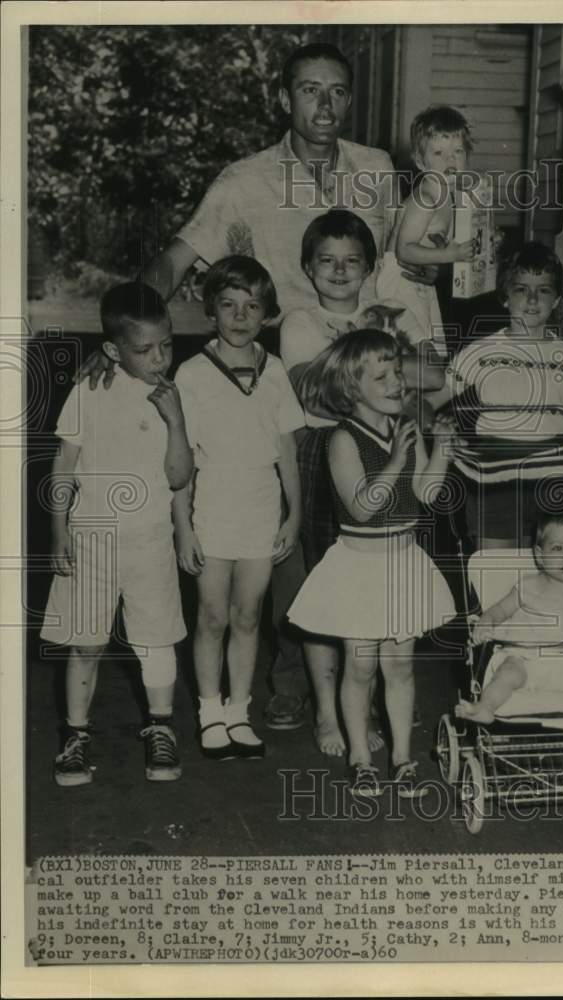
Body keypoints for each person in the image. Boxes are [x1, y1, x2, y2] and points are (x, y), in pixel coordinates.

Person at [76, 42, 439, 733]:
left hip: (372, 382)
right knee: (291, 551)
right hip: (288, 385)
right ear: (285, 98)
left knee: (372, 534)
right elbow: (173, 262)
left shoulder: (378, 171)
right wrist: (123, 340)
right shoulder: (244, 181)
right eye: (309, 91)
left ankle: (367, 677)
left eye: (337, 92)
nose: (324, 106)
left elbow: (406, 272)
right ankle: (292, 681)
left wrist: (428, 363)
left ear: (350, 99)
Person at [280, 210, 446, 755]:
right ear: (308, 268)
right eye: (327, 261)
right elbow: (315, 393)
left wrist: (375, 360)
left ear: (370, 266)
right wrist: (381, 347)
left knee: (381, 596)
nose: (340, 271)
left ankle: (378, 707)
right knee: (332, 590)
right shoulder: (300, 322)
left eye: (353, 261)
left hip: (393, 445)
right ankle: (328, 714)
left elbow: (434, 374)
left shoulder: (391, 311)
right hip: (327, 450)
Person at [288, 330, 456, 796]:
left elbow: (426, 494)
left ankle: (402, 757)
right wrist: (395, 460)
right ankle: (361, 758)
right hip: (359, 567)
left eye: (398, 371)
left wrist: (439, 449)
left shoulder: (405, 426)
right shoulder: (342, 439)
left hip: (402, 563)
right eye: (380, 376)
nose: (396, 382)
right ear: (349, 388)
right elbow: (362, 506)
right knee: (359, 666)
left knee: (399, 667)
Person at [41, 284, 193, 785]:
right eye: (145, 349)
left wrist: (175, 421)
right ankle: (76, 736)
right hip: (92, 538)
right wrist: (58, 530)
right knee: (86, 643)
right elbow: (64, 465)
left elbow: (178, 476)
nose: (160, 358)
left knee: (156, 641)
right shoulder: (89, 389)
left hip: (151, 538)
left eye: (167, 345)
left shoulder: (174, 395)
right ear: (112, 350)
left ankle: (160, 727)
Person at [172, 257, 304, 759]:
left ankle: (238, 711)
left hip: (261, 508)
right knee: (211, 616)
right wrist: (183, 528)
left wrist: (292, 516)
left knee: (248, 616)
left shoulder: (276, 373)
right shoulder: (192, 373)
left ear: (266, 314)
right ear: (211, 312)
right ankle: (209, 712)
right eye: (228, 305)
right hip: (212, 508)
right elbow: (181, 464)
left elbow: (288, 452)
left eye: (252, 306)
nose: (240, 315)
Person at [439, 241, 563, 549]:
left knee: (548, 573)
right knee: (494, 574)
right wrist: (439, 430)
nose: (533, 299)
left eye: (544, 290)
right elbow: (432, 401)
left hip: (553, 477)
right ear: (505, 297)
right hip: (495, 478)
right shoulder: (479, 352)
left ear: (558, 299)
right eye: (522, 289)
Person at [455, 517, 563, 736]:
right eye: (558, 548)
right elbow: (499, 611)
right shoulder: (526, 587)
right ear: (539, 554)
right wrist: (485, 623)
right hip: (527, 658)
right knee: (507, 673)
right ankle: (485, 708)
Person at [377, 105, 475, 351]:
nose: (450, 160)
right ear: (421, 162)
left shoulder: (449, 195)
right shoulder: (425, 199)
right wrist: (450, 255)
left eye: (458, 151)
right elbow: (404, 250)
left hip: (420, 281)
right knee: (412, 348)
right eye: (439, 153)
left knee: (433, 345)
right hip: (400, 280)